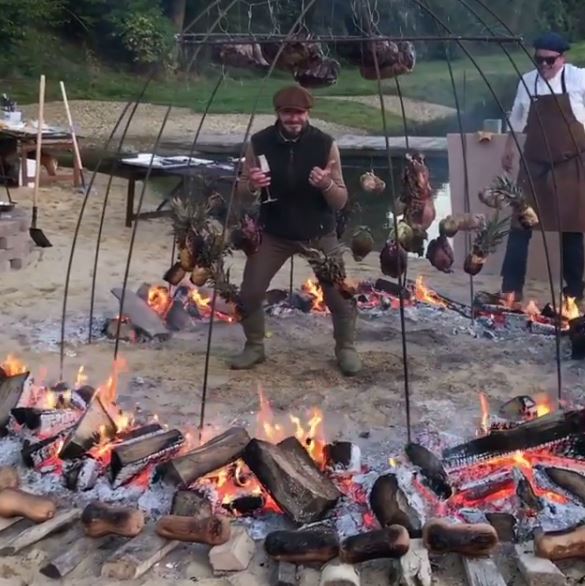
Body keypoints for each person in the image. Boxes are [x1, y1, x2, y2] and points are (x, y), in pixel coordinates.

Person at [232, 85, 361, 376]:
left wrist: (326, 184)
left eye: (299, 113)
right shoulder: (259, 142)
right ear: (278, 113)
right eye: (288, 113)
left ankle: (345, 348)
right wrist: (252, 184)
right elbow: (241, 194)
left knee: (339, 295)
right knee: (250, 292)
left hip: (318, 231)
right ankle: (254, 346)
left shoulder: (325, 144)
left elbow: (340, 201)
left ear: (308, 114)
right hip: (274, 231)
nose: (294, 119)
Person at [499, 31, 585, 303]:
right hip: (534, 165)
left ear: (563, 58)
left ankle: (573, 293)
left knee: (572, 229)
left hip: (571, 163)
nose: (544, 66)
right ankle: (511, 289)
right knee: (519, 227)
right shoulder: (527, 82)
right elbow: (516, 117)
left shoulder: (578, 78)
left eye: (550, 61)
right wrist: (509, 149)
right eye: (539, 61)